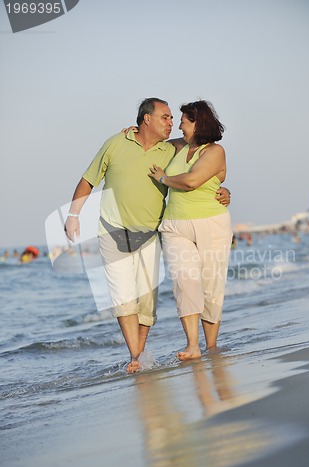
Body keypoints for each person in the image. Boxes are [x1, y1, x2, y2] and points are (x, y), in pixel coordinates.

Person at [65, 98, 230, 373]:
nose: (172, 123)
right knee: (124, 296)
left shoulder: (171, 149)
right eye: (165, 117)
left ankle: (148, 353)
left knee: (147, 302)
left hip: (152, 232)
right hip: (113, 230)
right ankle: (136, 356)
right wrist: (73, 216)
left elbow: (203, 166)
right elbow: (88, 179)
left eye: (175, 119)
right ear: (147, 119)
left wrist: (224, 191)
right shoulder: (116, 143)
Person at [148, 100, 233, 361]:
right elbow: (153, 142)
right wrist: (132, 130)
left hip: (211, 224)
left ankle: (211, 346)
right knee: (184, 284)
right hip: (175, 225)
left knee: (211, 287)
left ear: (197, 122)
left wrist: (163, 178)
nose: (178, 125)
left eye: (183, 120)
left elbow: (193, 181)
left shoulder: (215, 151)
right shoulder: (178, 147)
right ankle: (192, 346)